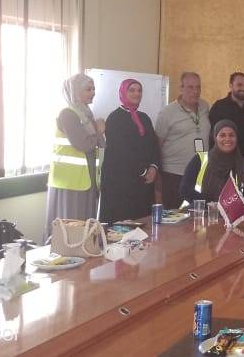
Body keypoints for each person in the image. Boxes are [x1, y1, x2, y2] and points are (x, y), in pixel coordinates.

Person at [45, 73, 106, 242]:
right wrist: (99, 130)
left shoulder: (86, 114)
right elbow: (84, 144)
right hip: (69, 182)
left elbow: (100, 144)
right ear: (75, 91)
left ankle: (84, 253)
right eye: (88, 89)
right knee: (71, 229)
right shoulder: (68, 114)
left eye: (94, 89)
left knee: (85, 227)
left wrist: (98, 131)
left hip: (86, 179)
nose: (93, 93)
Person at [99, 79, 160, 223]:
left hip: (143, 183)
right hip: (120, 183)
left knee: (142, 223)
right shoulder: (114, 118)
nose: (136, 94)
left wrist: (154, 167)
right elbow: (121, 152)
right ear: (123, 93)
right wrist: (143, 171)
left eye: (139, 90)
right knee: (121, 226)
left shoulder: (144, 118)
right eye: (131, 90)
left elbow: (154, 145)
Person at [154, 72, 210, 209]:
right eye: (190, 87)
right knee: (176, 217)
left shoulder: (204, 106)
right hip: (175, 176)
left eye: (198, 87)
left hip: (200, 174)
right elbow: (156, 146)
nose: (195, 91)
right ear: (181, 88)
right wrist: (158, 180)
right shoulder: (167, 113)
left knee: (198, 216)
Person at [180, 119, 244, 206]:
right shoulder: (200, 159)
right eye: (222, 135)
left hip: (233, 213)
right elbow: (185, 190)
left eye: (231, 135)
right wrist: (210, 204)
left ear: (237, 138)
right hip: (198, 211)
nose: (227, 139)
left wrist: (225, 207)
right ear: (215, 138)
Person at [209, 72, 244, 161]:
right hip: (226, 159)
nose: (243, 88)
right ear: (231, 86)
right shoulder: (219, 106)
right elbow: (213, 136)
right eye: (239, 85)